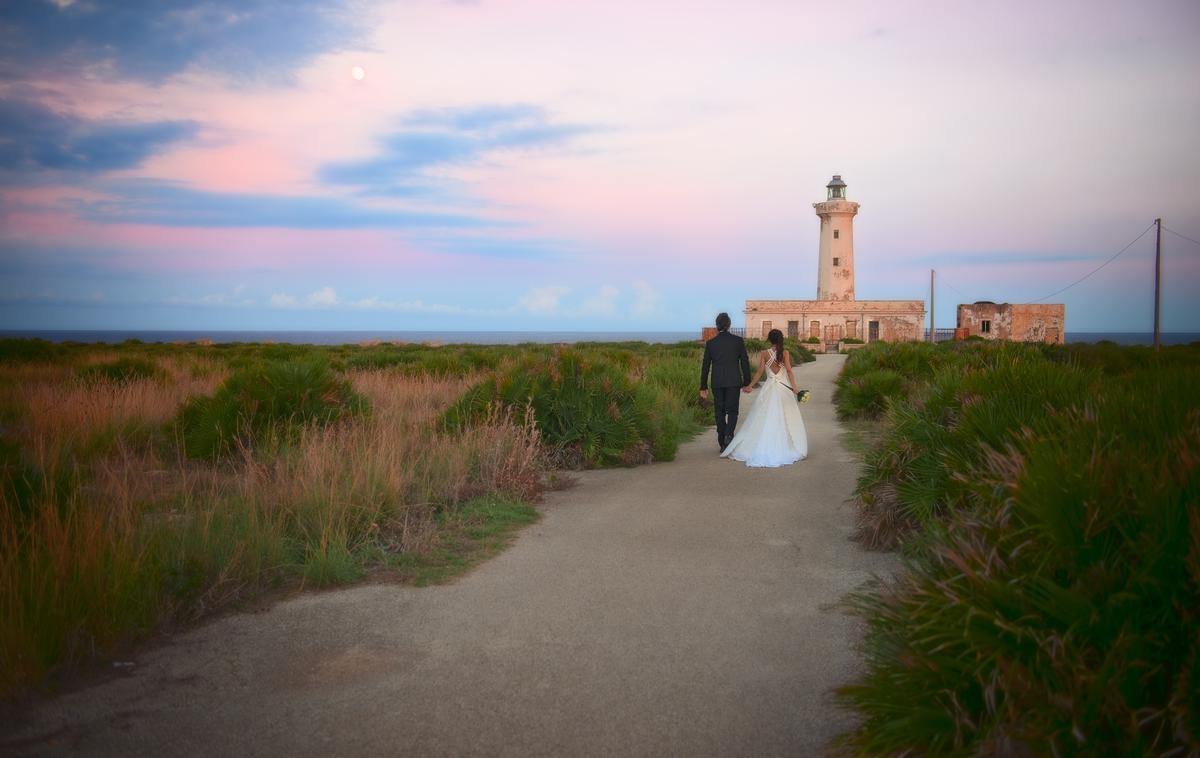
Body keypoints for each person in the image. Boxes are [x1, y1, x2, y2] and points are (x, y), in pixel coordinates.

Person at [721, 328, 808, 467]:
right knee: (786, 416)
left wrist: (750, 385)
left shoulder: (764, 353)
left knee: (763, 416)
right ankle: (786, 445)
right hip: (783, 388)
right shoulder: (785, 353)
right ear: (781, 339)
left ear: (769, 339)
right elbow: (790, 371)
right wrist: (795, 388)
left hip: (769, 388)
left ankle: (758, 445)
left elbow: (760, 372)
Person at [699, 312, 752, 452]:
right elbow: (745, 363)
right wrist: (747, 382)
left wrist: (703, 386)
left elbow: (705, 366)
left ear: (717, 326)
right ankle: (729, 435)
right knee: (733, 410)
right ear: (729, 325)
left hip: (717, 381)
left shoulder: (711, 343)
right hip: (734, 381)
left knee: (719, 411)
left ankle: (721, 439)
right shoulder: (738, 341)